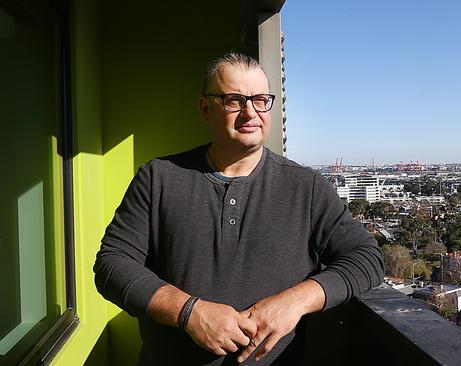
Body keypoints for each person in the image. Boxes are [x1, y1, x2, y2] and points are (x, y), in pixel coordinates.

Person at [93, 52, 384, 365]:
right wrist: (189, 312)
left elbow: (366, 258)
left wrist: (295, 302)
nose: (251, 113)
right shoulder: (158, 178)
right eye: (233, 100)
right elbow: (112, 265)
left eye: (260, 100)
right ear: (206, 109)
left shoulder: (306, 186)